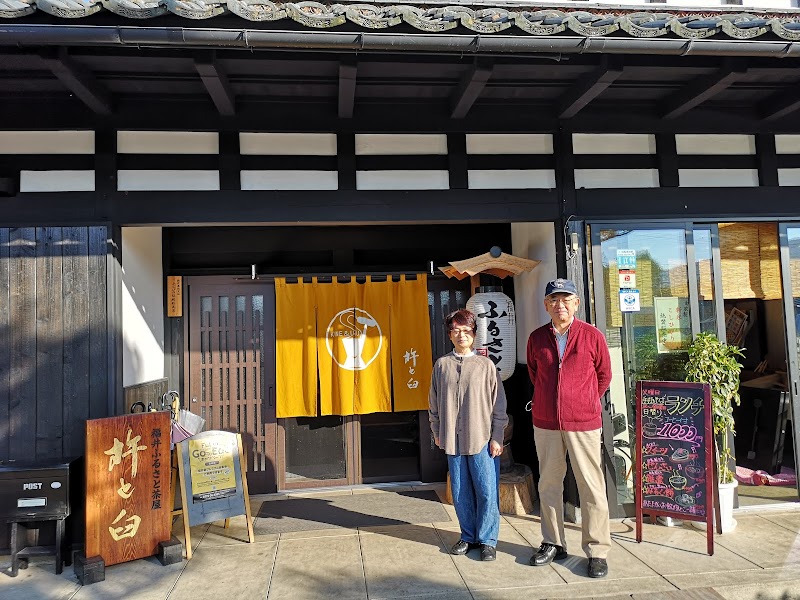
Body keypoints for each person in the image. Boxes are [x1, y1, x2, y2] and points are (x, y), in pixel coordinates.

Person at [526, 278, 612, 578]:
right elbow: (536, 376)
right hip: (547, 423)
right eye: (553, 300)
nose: (559, 305)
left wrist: (583, 400)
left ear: (576, 303)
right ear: (546, 305)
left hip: (584, 423)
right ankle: (553, 542)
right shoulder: (537, 338)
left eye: (565, 299)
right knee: (548, 485)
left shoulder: (592, 336)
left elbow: (604, 375)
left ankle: (597, 550)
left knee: (591, 486)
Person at [429, 308, 508, 562]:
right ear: (450, 335)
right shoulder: (442, 365)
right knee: (461, 491)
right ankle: (468, 535)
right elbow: (433, 403)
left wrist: (497, 436)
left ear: (474, 333)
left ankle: (487, 540)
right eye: (456, 331)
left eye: (466, 330)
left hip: (482, 439)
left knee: (486, 491)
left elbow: (499, 405)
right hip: (453, 439)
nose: (461, 335)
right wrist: (437, 431)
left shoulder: (486, 365)